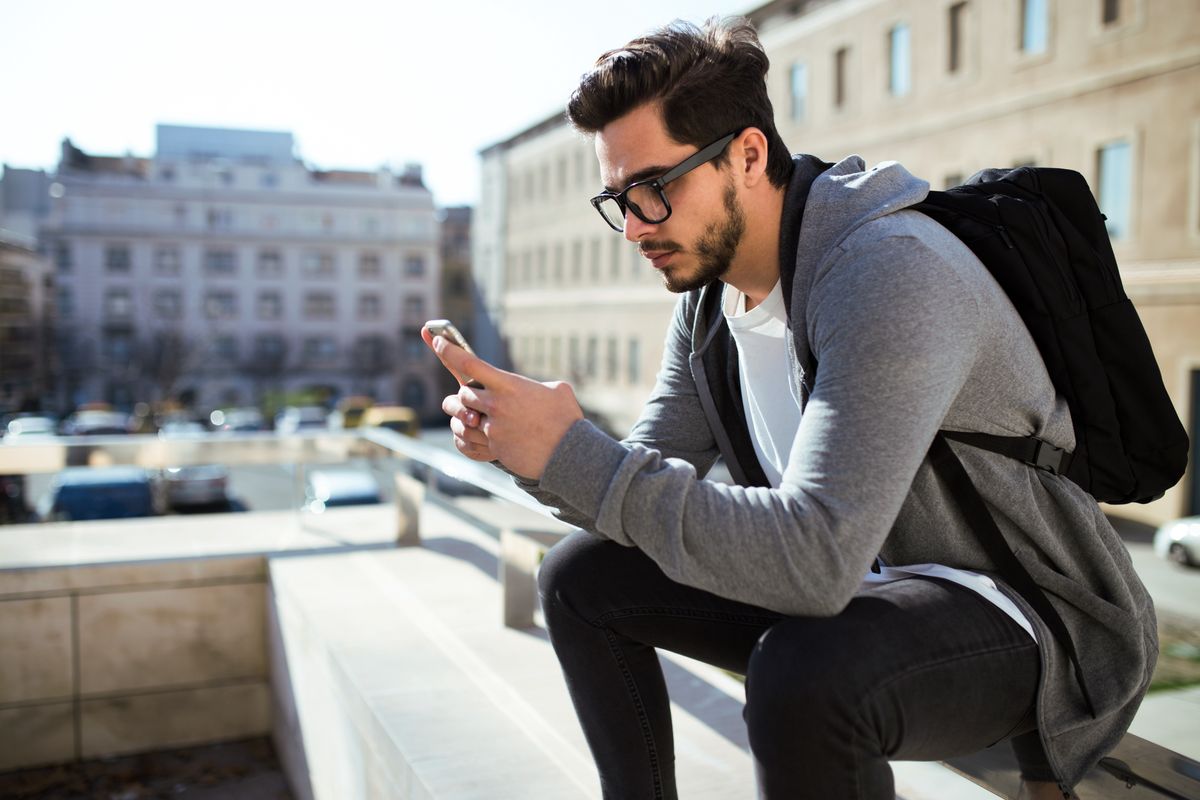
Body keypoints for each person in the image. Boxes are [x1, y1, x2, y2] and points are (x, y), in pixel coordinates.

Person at [425, 17, 1156, 800]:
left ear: (747, 154)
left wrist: (572, 452)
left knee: (802, 674)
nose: (635, 226)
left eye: (656, 189)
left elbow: (813, 563)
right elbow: (633, 499)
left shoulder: (888, 274)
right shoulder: (709, 308)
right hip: (860, 592)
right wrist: (529, 448)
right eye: (620, 199)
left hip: (1028, 616)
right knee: (581, 577)